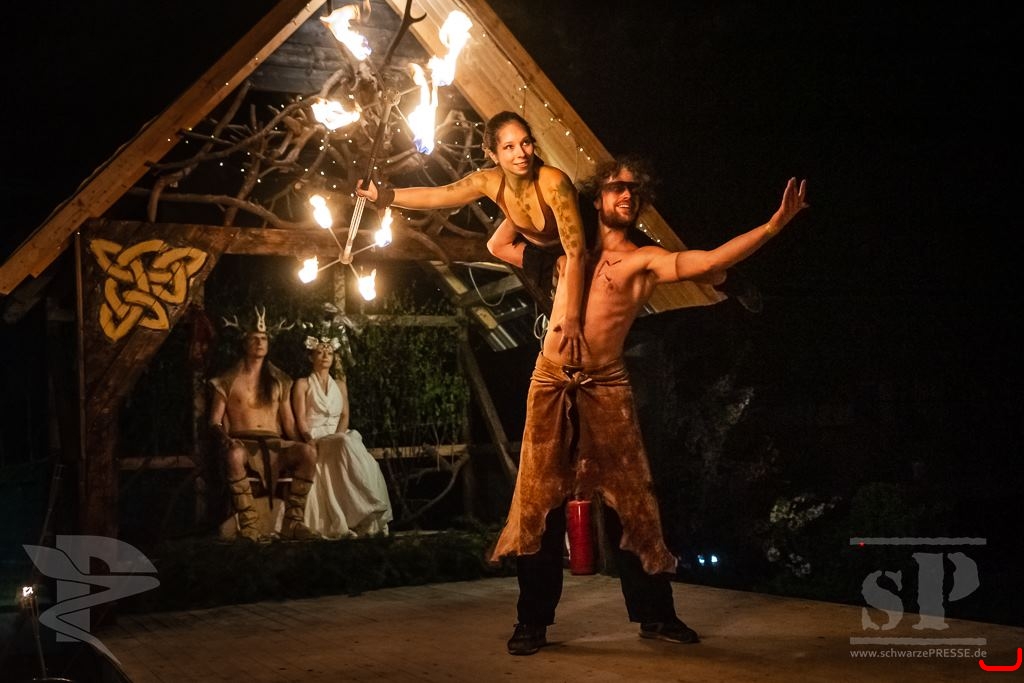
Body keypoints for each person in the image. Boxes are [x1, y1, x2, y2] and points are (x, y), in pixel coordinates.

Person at [490, 156, 809, 655]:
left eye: (634, 191)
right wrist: (529, 184)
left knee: (633, 503)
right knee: (538, 504)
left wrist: (772, 226)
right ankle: (532, 622)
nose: (627, 196)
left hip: (606, 384)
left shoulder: (644, 261)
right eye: (617, 188)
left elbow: (707, 262)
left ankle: (656, 615)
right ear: (595, 197)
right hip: (550, 381)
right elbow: (500, 244)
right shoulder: (566, 253)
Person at [355, 110, 586, 363]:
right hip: (544, 249)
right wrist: (383, 196)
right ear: (493, 154)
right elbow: (437, 195)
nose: (521, 153)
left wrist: (572, 318)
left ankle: (558, 272)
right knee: (495, 245)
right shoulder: (488, 181)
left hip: (578, 251)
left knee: (566, 303)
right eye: (509, 147)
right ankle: (553, 266)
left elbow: (577, 254)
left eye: (525, 143)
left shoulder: (553, 183)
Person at [207, 307, 320, 542]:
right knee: (234, 456)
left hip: (274, 443)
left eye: (264, 338)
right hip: (243, 441)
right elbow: (215, 421)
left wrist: (305, 441)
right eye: (254, 338)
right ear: (244, 343)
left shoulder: (279, 380)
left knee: (308, 453)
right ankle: (250, 525)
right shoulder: (227, 380)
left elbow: (289, 423)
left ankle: (293, 522)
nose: (260, 343)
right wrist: (226, 440)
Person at [292, 333, 393, 539]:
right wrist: (308, 438)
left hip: (338, 435)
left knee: (362, 454)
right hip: (315, 437)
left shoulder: (340, 384)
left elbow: (345, 415)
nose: (325, 356)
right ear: (311, 357)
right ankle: (367, 507)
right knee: (346, 442)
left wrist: (338, 436)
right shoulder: (303, 384)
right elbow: (300, 418)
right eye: (320, 353)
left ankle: (366, 516)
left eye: (329, 353)